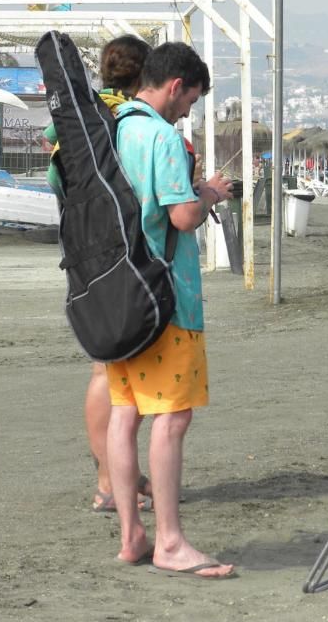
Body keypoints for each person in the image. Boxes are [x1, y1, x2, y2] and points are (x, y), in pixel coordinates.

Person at [108, 42, 235, 578]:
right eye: (191, 101)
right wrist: (208, 194)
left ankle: (131, 535)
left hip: (116, 293)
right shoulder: (158, 136)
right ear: (176, 84)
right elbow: (182, 217)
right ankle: (170, 541)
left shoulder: (112, 128)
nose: (189, 112)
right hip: (165, 298)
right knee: (171, 417)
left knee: (125, 413)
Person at [46, 35, 155, 514]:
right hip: (116, 250)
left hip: (80, 246)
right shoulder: (119, 121)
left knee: (105, 367)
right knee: (111, 371)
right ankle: (113, 482)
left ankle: (111, 477)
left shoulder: (80, 118)